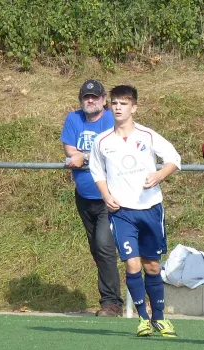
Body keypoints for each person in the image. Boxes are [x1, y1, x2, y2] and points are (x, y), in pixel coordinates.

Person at [90, 85, 181, 337]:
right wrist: (107, 196)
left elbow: (174, 158)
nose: (118, 108)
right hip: (122, 212)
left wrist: (160, 174)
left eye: (124, 103)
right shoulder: (102, 141)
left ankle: (159, 318)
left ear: (134, 108)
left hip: (150, 209)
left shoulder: (147, 135)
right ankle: (142, 320)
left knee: (152, 266)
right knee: (132, 264)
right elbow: (97, 172)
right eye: (115, 103)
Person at [61, 80, 124, 317]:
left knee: (104, 246)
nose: (90, 101)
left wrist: (84, 158)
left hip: (109, 197)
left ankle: (112, 303)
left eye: (95, 97)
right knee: (96, 249)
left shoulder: (112, 121)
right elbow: (69, 149)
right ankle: (112, 297)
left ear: (103, 100)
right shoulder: (73, 119)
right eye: (86, 97)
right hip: (84, 196)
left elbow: (111, 153)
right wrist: (79, 156)